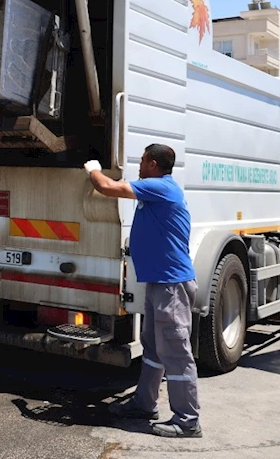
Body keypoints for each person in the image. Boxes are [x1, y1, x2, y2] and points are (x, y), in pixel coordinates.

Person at [84, 144, 201, 439]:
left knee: (175, 350)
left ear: (152, 163)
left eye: (141, 160)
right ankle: (144, 404)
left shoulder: (161, 187)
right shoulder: (158, 189)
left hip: (171, 285)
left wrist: (91, 167)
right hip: (160, 282)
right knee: (153, 346)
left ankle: (187, 421)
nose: (138, 165)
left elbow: (107, 187)